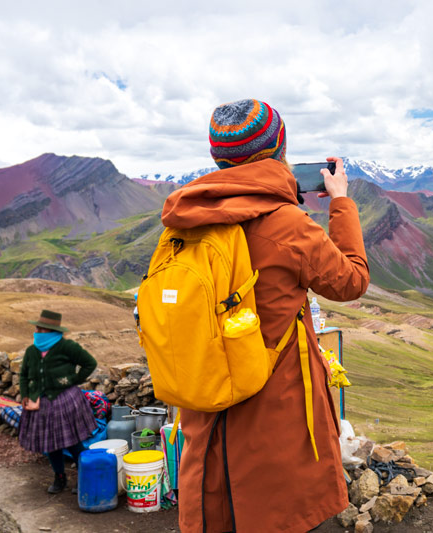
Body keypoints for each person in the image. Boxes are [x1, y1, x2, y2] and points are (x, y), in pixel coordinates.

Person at [161, 99, 370, 533]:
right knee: (275, 508)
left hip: (206, 391)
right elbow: (350, 281)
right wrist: (341, 202)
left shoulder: (185, 220)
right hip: (273, 400)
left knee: (217, 506)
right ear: (281, 148)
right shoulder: (288, 224)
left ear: (218, 157)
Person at [18, 309, 97, 494]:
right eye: (37, 328)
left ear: (52, 331)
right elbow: (23, 375)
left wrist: (72, 380)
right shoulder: (32, 351)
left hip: (65, 401)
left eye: (41, 329)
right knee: (50, 444)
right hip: (41, 404)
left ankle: (83, 477)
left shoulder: (67, 347)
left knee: (73, 442)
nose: (37, 331)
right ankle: (59, 478)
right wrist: (25, 396)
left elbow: (90, 363)